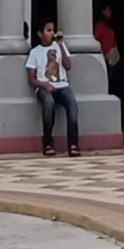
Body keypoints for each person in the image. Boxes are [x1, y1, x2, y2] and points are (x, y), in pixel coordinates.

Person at [27, 19, 80, 156]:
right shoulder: (35, 52)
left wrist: (61, 44)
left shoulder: (60, 47)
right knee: (49, 103)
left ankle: (73, 143)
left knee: (72, 103)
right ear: (40, 33)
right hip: (44, 87)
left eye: (53, 30)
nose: (52, 33)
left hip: (62, 85)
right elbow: (32, 80)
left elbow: (68, 66)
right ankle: (48, 143)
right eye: (48, 30)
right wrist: (44, 84)